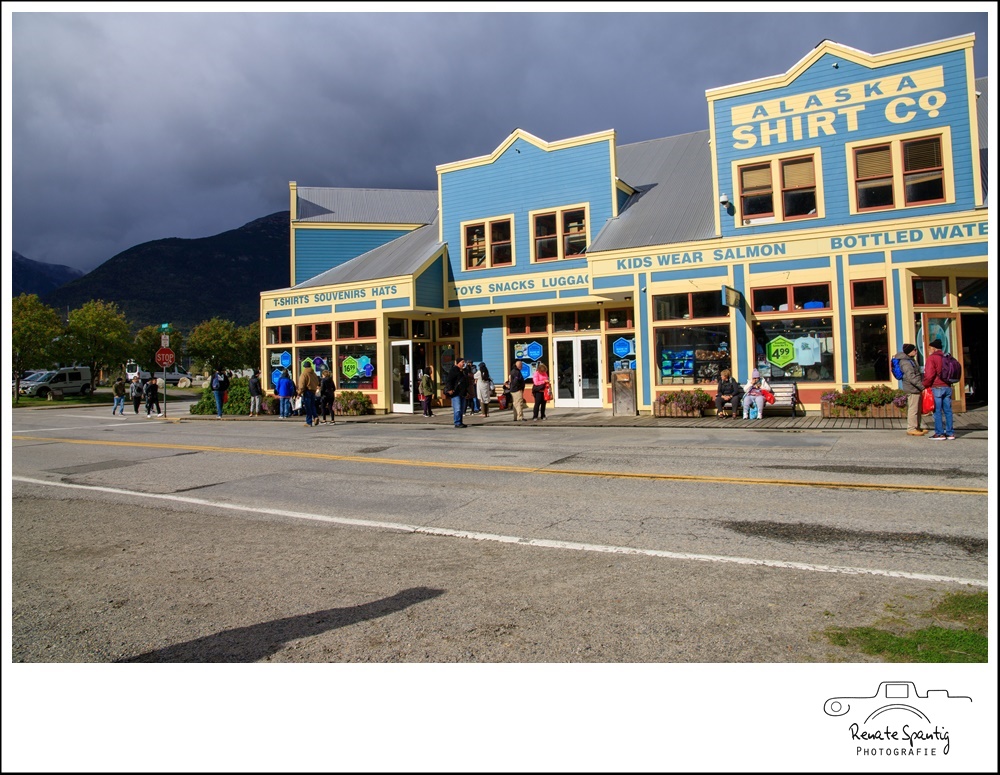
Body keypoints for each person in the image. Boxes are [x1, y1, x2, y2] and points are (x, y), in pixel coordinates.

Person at [923, 338, 955, 440]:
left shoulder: (932, 358)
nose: (929, 350)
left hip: (937, 387)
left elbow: (929, 375)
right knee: (948, 411)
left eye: (929, 348)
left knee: (937, 411)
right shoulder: (947, 357)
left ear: (933, 348)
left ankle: (939, 433)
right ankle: (950, 433)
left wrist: (924, 385)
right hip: (947, 386)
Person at [895, 343, 927, 436]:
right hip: (912, 388)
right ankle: (911, 428)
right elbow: (911, 377)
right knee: (913, 409)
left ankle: (917, 427)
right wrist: (922, 386)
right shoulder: (905, 362)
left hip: (915, 388)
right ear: (910, 351)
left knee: (917, 409)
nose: (916, 351)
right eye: (914, 350)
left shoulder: (910, 360)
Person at [444, 357, 469, 428]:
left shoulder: (463, 371)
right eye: (462, 362)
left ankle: (460, 422)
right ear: (458, 363)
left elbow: (465, 382)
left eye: (464, 362)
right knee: (457, 408)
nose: (463, 363)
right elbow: (449, 380)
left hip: (462, 392)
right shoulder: (454, 370)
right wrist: (450, 389)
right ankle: (457, 422)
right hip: (455, 393)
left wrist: (467, 392)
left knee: (461, 409)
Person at [297, 360, 321, 427]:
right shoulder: (314, 373)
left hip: (307, 391)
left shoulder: (304, 374)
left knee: (308, 407)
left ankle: (309, 422)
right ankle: (315, 417)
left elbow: (302, 384)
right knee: (312, 405)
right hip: (313, 391)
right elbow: (317, 382)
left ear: (304, 367)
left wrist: (299, 393)